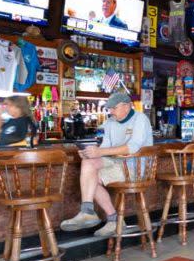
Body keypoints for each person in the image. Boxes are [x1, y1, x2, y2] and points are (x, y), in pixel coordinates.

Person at [61, 92, 153, 237]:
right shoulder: (110, 122)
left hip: (135, 168)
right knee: (88, 163)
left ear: (127, 106)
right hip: (116, 163)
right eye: (109, 108)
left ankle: (113, 219)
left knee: (91, 179)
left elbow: (133, 147)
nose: (110, 112)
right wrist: (89, 152)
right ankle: (87, 211)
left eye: (113, 108)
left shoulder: (140, 119)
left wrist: (100, 151)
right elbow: (103, 145)